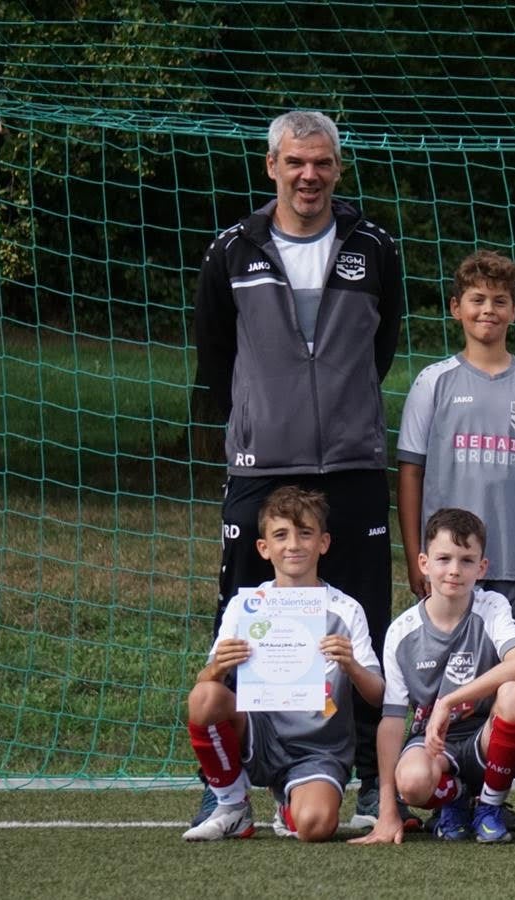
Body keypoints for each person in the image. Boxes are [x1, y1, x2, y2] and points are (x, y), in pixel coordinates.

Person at [190, 109, 404, 829]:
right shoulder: (231, 249)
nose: (308, 175)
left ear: (337, 169)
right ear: (272, 167)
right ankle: (229, 785)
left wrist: (335, 410)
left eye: (322, 163)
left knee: (365, 620)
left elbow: (381, 348)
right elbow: (217, 358)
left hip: (351, 463)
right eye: (295, 163)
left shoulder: (373, 247)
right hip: (262, 464)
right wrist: (263, 414)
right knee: (241, 623)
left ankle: (372, 775)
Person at [181, 487, 384, 842]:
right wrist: (219, 668)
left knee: (316, 827)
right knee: (204, 697)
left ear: (323, 543)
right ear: (264, 548)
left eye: (305, 533)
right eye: (281, 535)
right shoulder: (248, 607)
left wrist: (351, 665)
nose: (293, 545)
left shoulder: (345, 610)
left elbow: (378, 695)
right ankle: (232, 805)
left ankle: (290, 803)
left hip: (318, 749)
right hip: (259, 732)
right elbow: (205, 680)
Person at [397, 249, 515, 621]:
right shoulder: (433, 382)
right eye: (477, 299)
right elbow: (411, 473)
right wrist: (417, 557)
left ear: (514, 310)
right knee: (451, 671)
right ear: (456, 308)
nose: (488, 309)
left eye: (500, 301)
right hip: (449, 565)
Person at [351, 508, 515, 846]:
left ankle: (489, 808)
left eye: (466, 561)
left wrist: (448, 700)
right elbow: (391, 721)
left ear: (482, 568)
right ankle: (455, 798)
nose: (454, 570)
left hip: (484, 738)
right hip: (434, 745)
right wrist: (388, 810)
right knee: (413, 782)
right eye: (444, 558)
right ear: (424, 563)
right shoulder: (401, 632)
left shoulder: (492, 606)